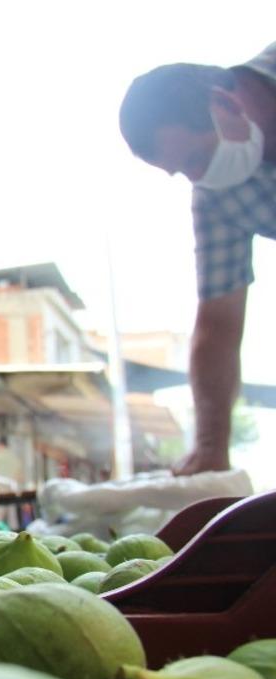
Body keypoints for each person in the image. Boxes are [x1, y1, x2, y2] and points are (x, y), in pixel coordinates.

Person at [118, 42, 276, 476]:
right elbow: (218, 326)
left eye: (197, 158)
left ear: (224, 103)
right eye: (184, 171)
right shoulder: (216, 196)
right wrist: (210, 448)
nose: (199, 177)